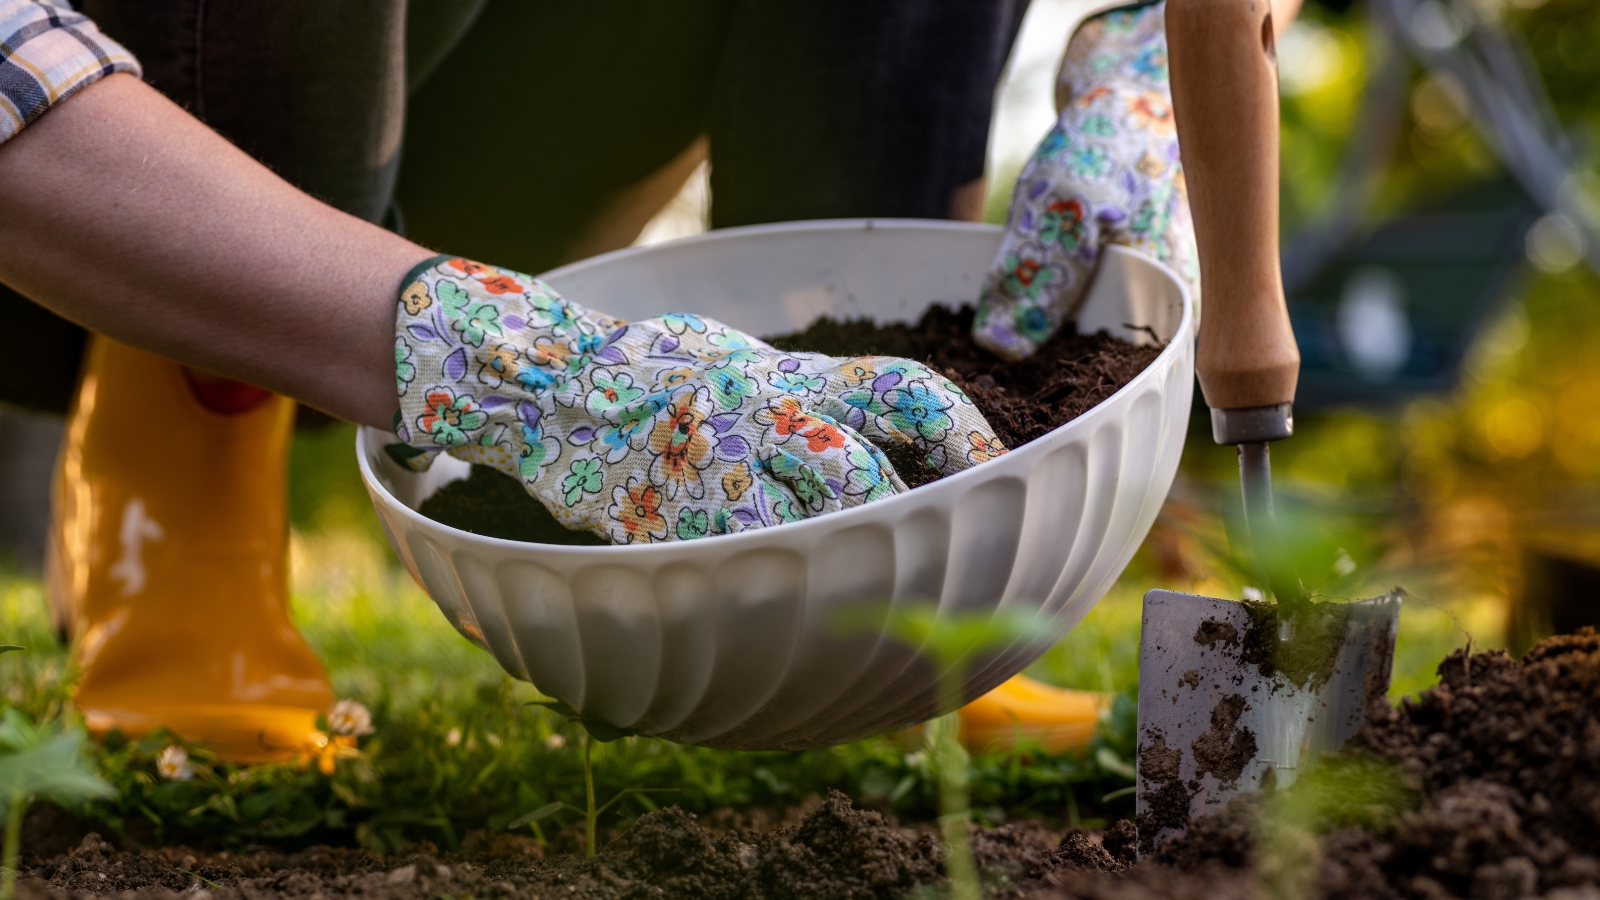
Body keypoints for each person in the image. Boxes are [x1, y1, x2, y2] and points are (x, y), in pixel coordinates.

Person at [0, 0, 1297, 756]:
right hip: (110, 187)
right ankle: (182, 485)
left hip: (482, 156)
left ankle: (897, 536)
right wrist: (525, 371)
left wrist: (1154, 70)